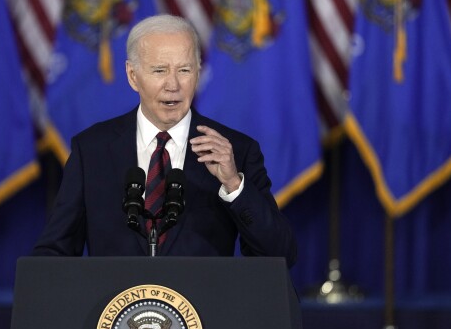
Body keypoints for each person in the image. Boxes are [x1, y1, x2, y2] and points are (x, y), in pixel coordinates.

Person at [32, 14, 297, 266]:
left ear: (198, 72)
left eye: (184, 70)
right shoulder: (91, 150)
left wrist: (234, 185)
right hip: (114, 310)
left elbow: (279, 255)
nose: (173, 85)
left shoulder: (235, 151)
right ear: (133, 76)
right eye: (159, 70)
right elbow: (54, 252)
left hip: (203, 312)